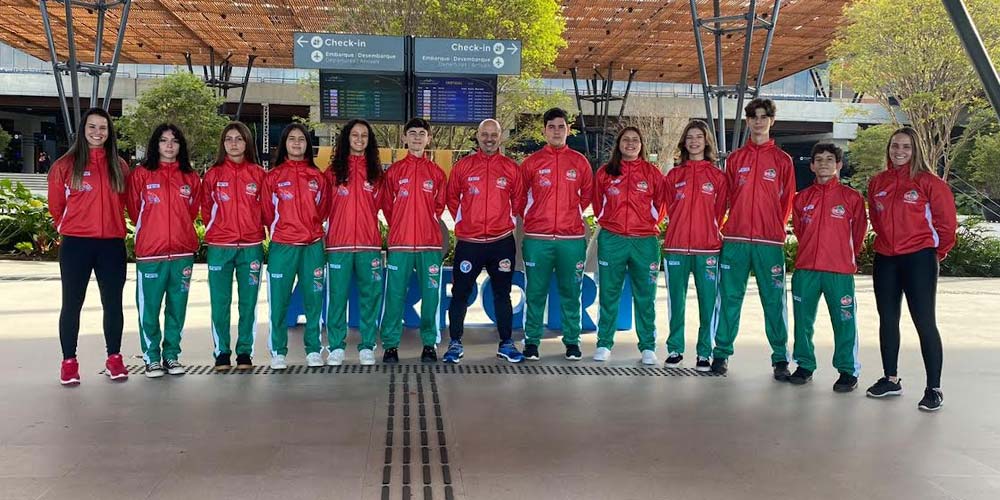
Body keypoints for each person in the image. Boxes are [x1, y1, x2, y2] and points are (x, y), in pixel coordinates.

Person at [865, 127, 956, 412]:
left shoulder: (930, 183)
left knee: (924, 322)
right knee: (887, 319)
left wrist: (934, 254)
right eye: (895, 146)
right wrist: (888, 245)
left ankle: (933, 388)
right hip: (886, 258)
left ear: (916, 149)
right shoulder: (878, 182)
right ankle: (891, 379)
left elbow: (946, 224)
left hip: (919, 259)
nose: (899, 151)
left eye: (906, 146)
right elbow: (876, 218)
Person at [710, 98, 795, 378]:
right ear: (747, 121)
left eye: (764, 117)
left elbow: (786, 202)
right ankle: (721, 353)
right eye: (754, 117)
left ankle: (780, 357)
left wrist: (773, 227)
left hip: (769, 243)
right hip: (735, 240)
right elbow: (725, 198)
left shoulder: (783, 161)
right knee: (729, 298)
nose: (759, 122)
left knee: (774, 301)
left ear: (772, 121)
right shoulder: (736, 159)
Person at [48, 107, 130, 385]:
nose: (97, 132)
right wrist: (72, 227)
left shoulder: (119, 166)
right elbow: (56, 206)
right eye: (92, 127)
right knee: (72, 304)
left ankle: (114, 358)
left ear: (109, 132)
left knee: (113, 304)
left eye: (103, 127)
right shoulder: (64, 165)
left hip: (112, 246)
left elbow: (125, 203)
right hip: (76, 245)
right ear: (83, 130)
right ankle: (69, 362)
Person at [443, 119, 525, 364]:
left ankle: (506, 343)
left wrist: (502, 221)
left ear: (500, 137)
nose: (489, 139)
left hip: (501, 242)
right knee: (460, 293)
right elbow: (451, 198)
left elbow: (518, 201)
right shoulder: (463, 167)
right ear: (477, 136)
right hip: (469, 243)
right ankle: (455, 343)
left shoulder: (511, 168)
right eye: (485, 134)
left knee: (502, 293)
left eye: (494, 134)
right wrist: (467, 222)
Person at [787, 143, 866, 392]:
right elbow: (801, 231)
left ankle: (847, 370)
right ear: (811, 165)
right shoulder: (801, 198)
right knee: (803, 321)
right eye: (819, 159)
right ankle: (804, 365)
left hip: (839, 271)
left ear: (839, 164)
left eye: (830, 159)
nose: (824, 164)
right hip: (806, 270)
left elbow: (858, 234)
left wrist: (843, 256)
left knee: (844, 321)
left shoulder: (852, 198)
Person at [126, 124, 201, 378]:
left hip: (182, 254)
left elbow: (191, 212)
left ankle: (171, 355)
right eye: (164, 140)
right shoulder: (141, 175)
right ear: (155, 145)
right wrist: (152, 232)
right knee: (149, 309)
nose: (169, 145)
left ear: (181, 146)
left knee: (177, 308)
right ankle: (151, 357)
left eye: (174, 141)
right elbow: (135, 211)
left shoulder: (190, 177)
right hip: (151, 253)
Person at [520, 107, 593, 361]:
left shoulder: (580, 162)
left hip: (570, 240)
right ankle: (531, 342)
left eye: (561, 126)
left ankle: (572, 341)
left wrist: (571, 215)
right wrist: (534, 218)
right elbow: (519, 197)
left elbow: (587, 195)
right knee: (535, 293)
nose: (557, 131)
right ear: (544, 131)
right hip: (537, 240)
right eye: (551, 127)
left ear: (568, 130)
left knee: (571, 292)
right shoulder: (532, 163)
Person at [590, 127, 663, 365]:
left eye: (635, 140)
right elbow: (597, 203)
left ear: (641, 145)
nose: (630, 144)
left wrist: (646, 223)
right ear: (619, 144)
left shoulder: (652, 173)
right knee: (609, 294)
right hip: (613, 240)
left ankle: (648, 347)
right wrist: (610, 221)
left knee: (646, 296)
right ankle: (604, 343)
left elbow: (661, 206)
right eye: (626, 140)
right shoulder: (605, 172)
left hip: (644, 242)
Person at [660, 120, 728, 371]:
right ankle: (675, 348)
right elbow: (669, 207)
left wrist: (707, 229)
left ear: (706, 141)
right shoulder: (674, 175)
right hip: (676, 248)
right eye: (689, 137)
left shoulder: (718, 177)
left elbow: (719, 211)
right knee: (676, 301)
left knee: (707, 302)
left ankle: (704, 352)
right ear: (684, 142)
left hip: (707, 249)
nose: (694, 141)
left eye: (699, 136)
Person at [262, 124, 330, 370]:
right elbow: (267, 212)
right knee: (279, 302)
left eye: (302, 139)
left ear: (307, 145)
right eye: (292, 138)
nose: (297, 143)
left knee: (314, 301)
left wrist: (309, 229)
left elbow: (323, 210)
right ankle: (278, 352)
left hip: (312, 247)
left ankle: (313, 350)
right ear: (284, 144)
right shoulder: (273, 177)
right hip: (283, 247)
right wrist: (285, 230)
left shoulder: (317, 177)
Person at [380, 118, 447, 363]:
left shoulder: (437, 173)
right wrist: (401, 225)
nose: (417, 137)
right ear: (405, 138)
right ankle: (390, 345)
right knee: (395, 296)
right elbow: (387, 206)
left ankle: (429, 343)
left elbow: (439, 207)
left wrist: (425, 224)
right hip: (400, 245)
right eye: (413, 133)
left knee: (431, 297)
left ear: (429, 139)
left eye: (421, 133)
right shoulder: (394, 172)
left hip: (429, 245)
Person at [201, 122, 267, 371]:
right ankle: (221, 352)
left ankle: (244, 352)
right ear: (223, 144)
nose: (234, 143)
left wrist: (254, 228)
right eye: (228, 139)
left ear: (247, 142)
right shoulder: (213, 175)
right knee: (220, 302)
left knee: (248, 303)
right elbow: (205, 209)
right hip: (220, 247)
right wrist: (217, 230)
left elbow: (267, 208)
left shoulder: (259, 174)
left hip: (251, 246)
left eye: (239, 138)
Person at [324, 119, 384, 366]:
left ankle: (367, 346)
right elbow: (322, 208)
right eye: (355, 135)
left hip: (369, 245)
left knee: (370, 297)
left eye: (364, 136)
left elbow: (381, 206)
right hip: (339, 245)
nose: (359, 139)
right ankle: (336, 346)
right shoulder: (332, 173)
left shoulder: (376, 173)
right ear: (347, 138)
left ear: (369, 141)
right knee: (337, 298)